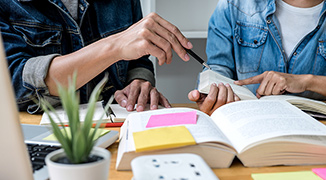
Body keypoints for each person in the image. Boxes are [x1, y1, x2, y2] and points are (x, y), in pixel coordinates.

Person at [0, 0, 192, 114]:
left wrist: (139, 81)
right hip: (39, 135)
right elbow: (13, 80)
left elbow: (137, 58)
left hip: (117, 128)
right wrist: (114, 46)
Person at [188, 0, 326, 115]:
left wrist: (307, 81)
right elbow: (218, 68)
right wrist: (212, 93)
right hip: (249, 121)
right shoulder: (233, 5)